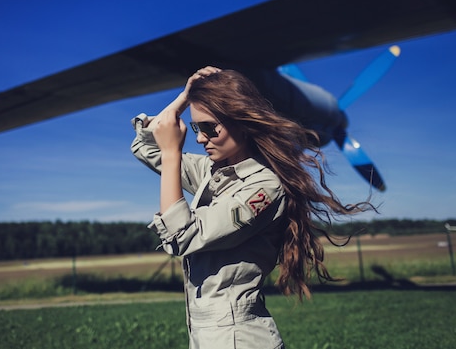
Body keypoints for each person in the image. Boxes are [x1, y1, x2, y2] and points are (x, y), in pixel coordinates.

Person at [131, 66, 371, 349]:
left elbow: (184, 236)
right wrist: (185, 97)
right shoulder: (213, 170)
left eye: (210, 128)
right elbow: (146, 146)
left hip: (238, 339)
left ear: (242, 122)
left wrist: (173, 154)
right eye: (197, 127)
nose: (198, 138)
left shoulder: (265, 187)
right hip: (206, 335)